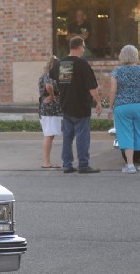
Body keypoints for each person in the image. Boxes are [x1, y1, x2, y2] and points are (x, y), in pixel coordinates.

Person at [51, 36, 102, 173]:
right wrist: (98, 101)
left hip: (66, 106)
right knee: (82, 136)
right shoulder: (82, 64)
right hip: (81, 106)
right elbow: (92, 88)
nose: (84, 50)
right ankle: (83, 165)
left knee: (67, 137)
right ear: (79, 47)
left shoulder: (61, 64)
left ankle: (67, 164)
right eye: (83, 47)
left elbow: (53, 82)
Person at [107, 45, 140, 174]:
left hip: (122, 106)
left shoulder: (117, 71)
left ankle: (130, 165)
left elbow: (113, 90)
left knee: (126, 134)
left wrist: (110, 107)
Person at [38, 55, 62, 169]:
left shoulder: (45, 75)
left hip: (48, 108)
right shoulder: (49, 75)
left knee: (49, 135)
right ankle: (46, 162)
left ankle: (47, 161)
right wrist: (52, 96)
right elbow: (48, 86)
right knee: (48, 135)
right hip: (50, 109)